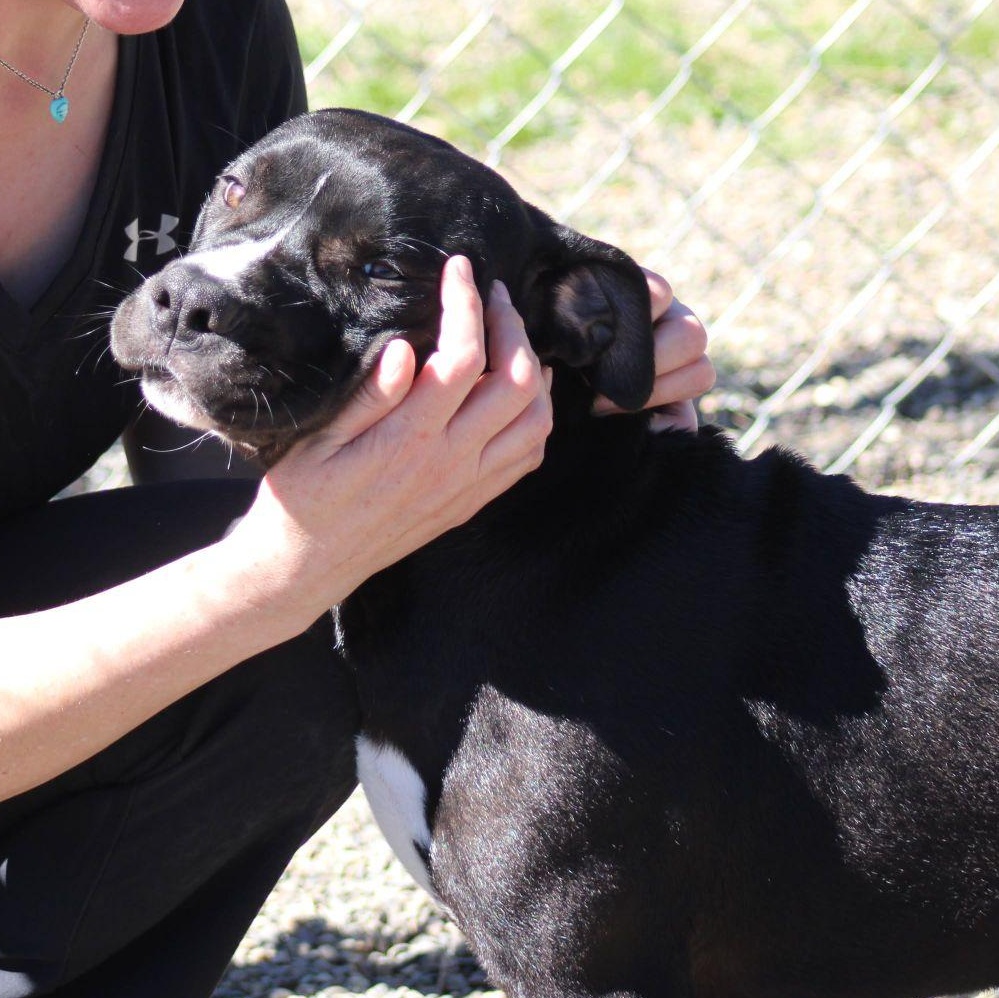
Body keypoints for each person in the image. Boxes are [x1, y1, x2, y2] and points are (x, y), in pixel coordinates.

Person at [0, 0, 715, 995]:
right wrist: (276, 572)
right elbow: (254, 562)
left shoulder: (203, 28)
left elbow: (220, 492)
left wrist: (526, 394)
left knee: (330, 616)